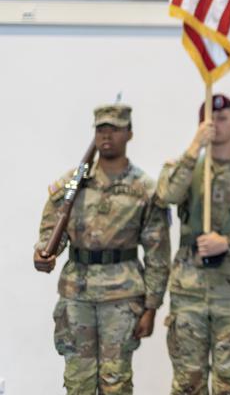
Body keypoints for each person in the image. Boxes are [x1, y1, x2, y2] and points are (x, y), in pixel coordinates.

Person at [35, 104, 170, 394]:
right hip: (76, 295)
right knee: (78, 381)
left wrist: (151, 307)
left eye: (114, 129)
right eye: (101, 129)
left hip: (121, 297)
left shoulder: (144, 188)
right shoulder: (74, 183)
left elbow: (158, 253)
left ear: (129, 134)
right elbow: (52, 230)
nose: (106, 135)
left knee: (115, 382)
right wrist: (44, 253)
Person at [156, 94, 230, 394]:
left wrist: (229, 242)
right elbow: (166, 196)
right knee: (188, 383)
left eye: (223, 118)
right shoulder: (184, 168)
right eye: (209, 119)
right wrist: (193, 147)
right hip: (188, 292)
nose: (216, 125)